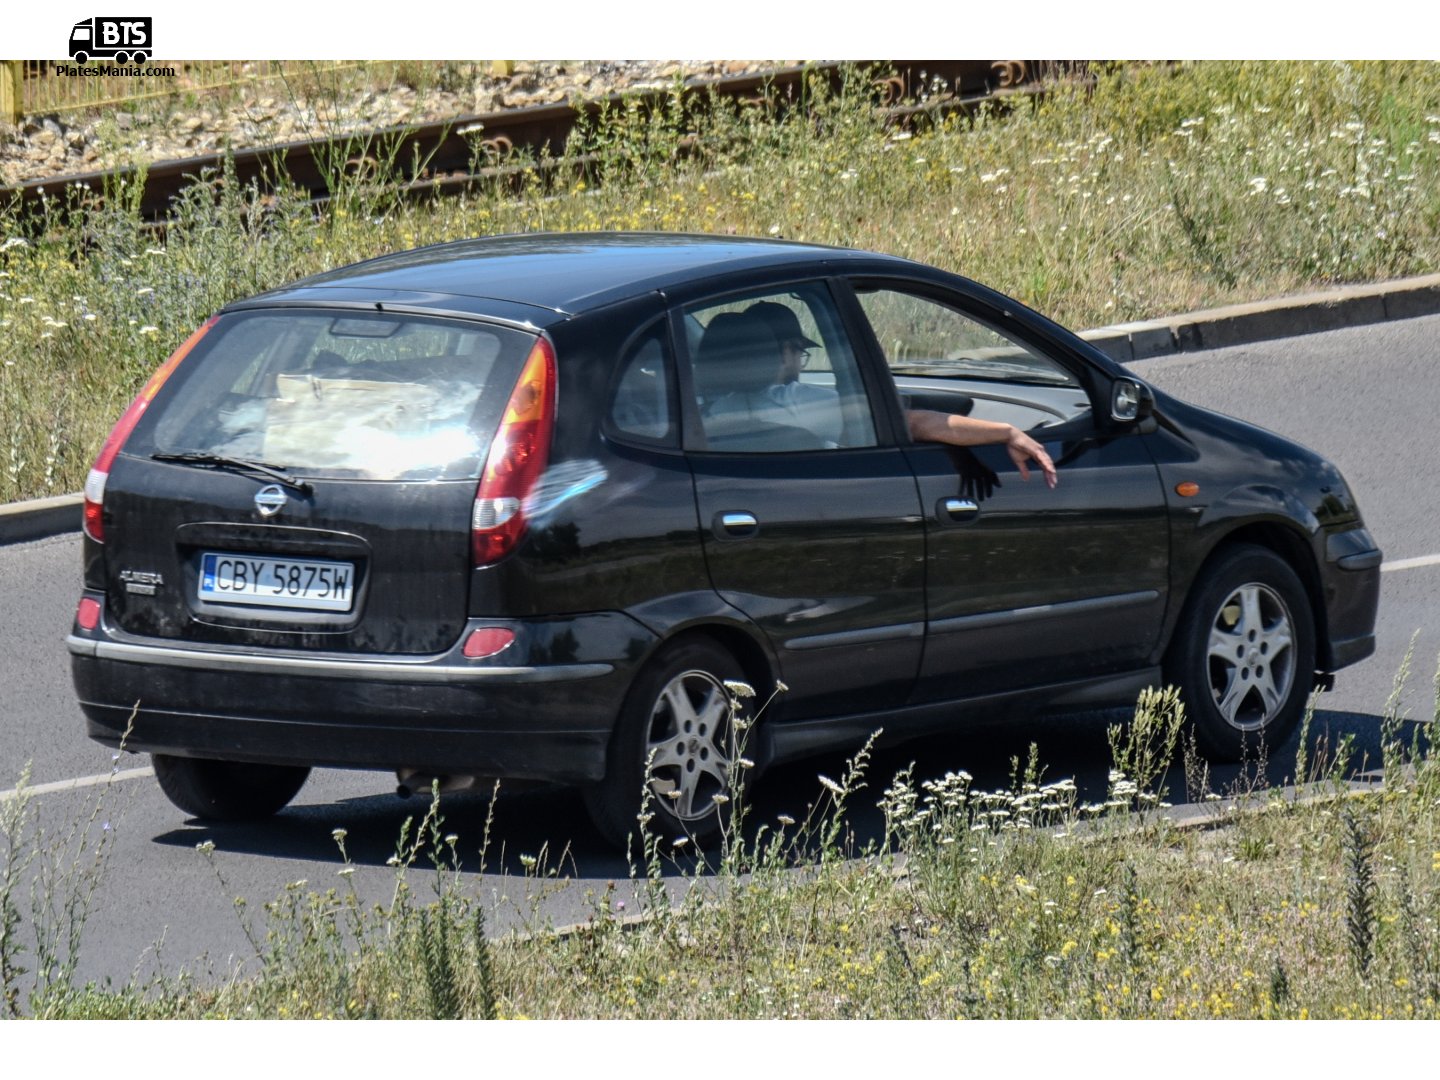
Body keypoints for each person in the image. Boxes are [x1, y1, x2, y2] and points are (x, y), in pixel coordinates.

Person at [745, 301, 1058, 488]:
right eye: (800, 352)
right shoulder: (793, 401)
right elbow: (911, 424)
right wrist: (1008, 432)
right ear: (785, 351)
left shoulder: (706, 404)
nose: (800, 364)